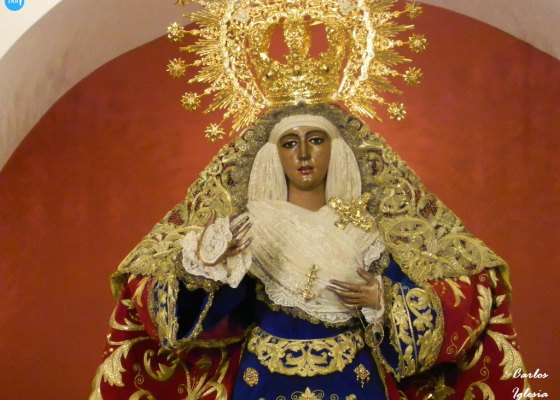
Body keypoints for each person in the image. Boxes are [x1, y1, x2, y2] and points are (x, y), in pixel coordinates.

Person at [90, 103, 527, 400]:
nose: (303, 153)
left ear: (336, 149)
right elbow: (200, 320)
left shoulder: (367, 229)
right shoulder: (250, 227)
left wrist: (383, 300)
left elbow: (439, 312)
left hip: (355, 375)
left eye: (316, 139)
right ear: (273, 155)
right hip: (263, 377)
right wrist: (209, 267)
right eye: (289, 142)